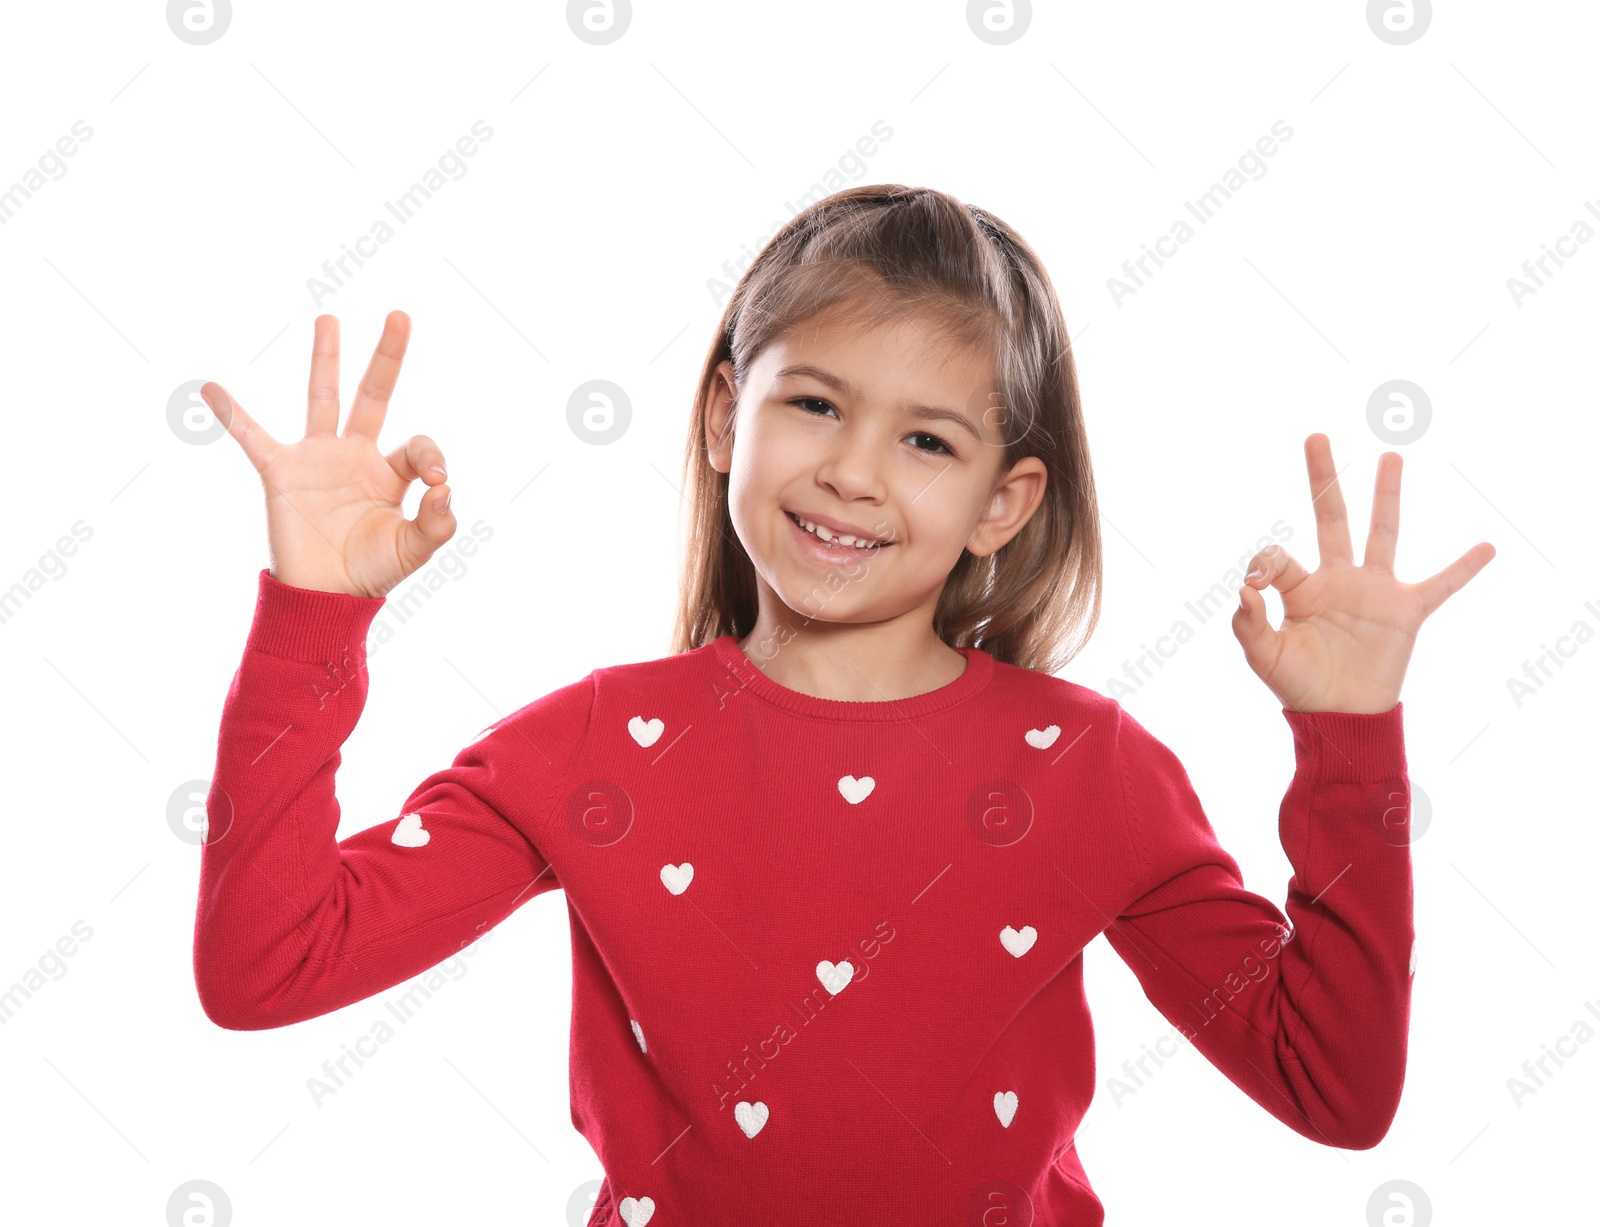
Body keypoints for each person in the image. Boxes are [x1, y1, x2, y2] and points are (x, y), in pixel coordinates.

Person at [191, 185, 1495, 1226]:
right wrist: (316, 609)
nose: (854, 473)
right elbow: (264, 969)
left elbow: (1334, 1089)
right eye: (814, 404)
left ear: (1004, 502)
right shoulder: (586, 749)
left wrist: (1347, 739)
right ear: (723, 418)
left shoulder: (1091, 770)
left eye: (927, 440)